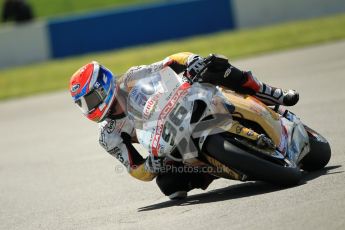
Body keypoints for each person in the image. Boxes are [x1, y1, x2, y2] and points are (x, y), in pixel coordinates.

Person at [69, 52, 299, 200]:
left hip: (186, 104)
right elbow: (135, 169)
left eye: (90, 100)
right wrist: (151, 165)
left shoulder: (131, 77)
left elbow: (171, 61)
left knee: (212, 65)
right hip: (169, 144)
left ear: (104, 85)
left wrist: (190, 61)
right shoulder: (108, 136)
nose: (89, 108)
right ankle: (216, 169)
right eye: (82, 105)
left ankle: (270, 93)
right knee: (169, 185)